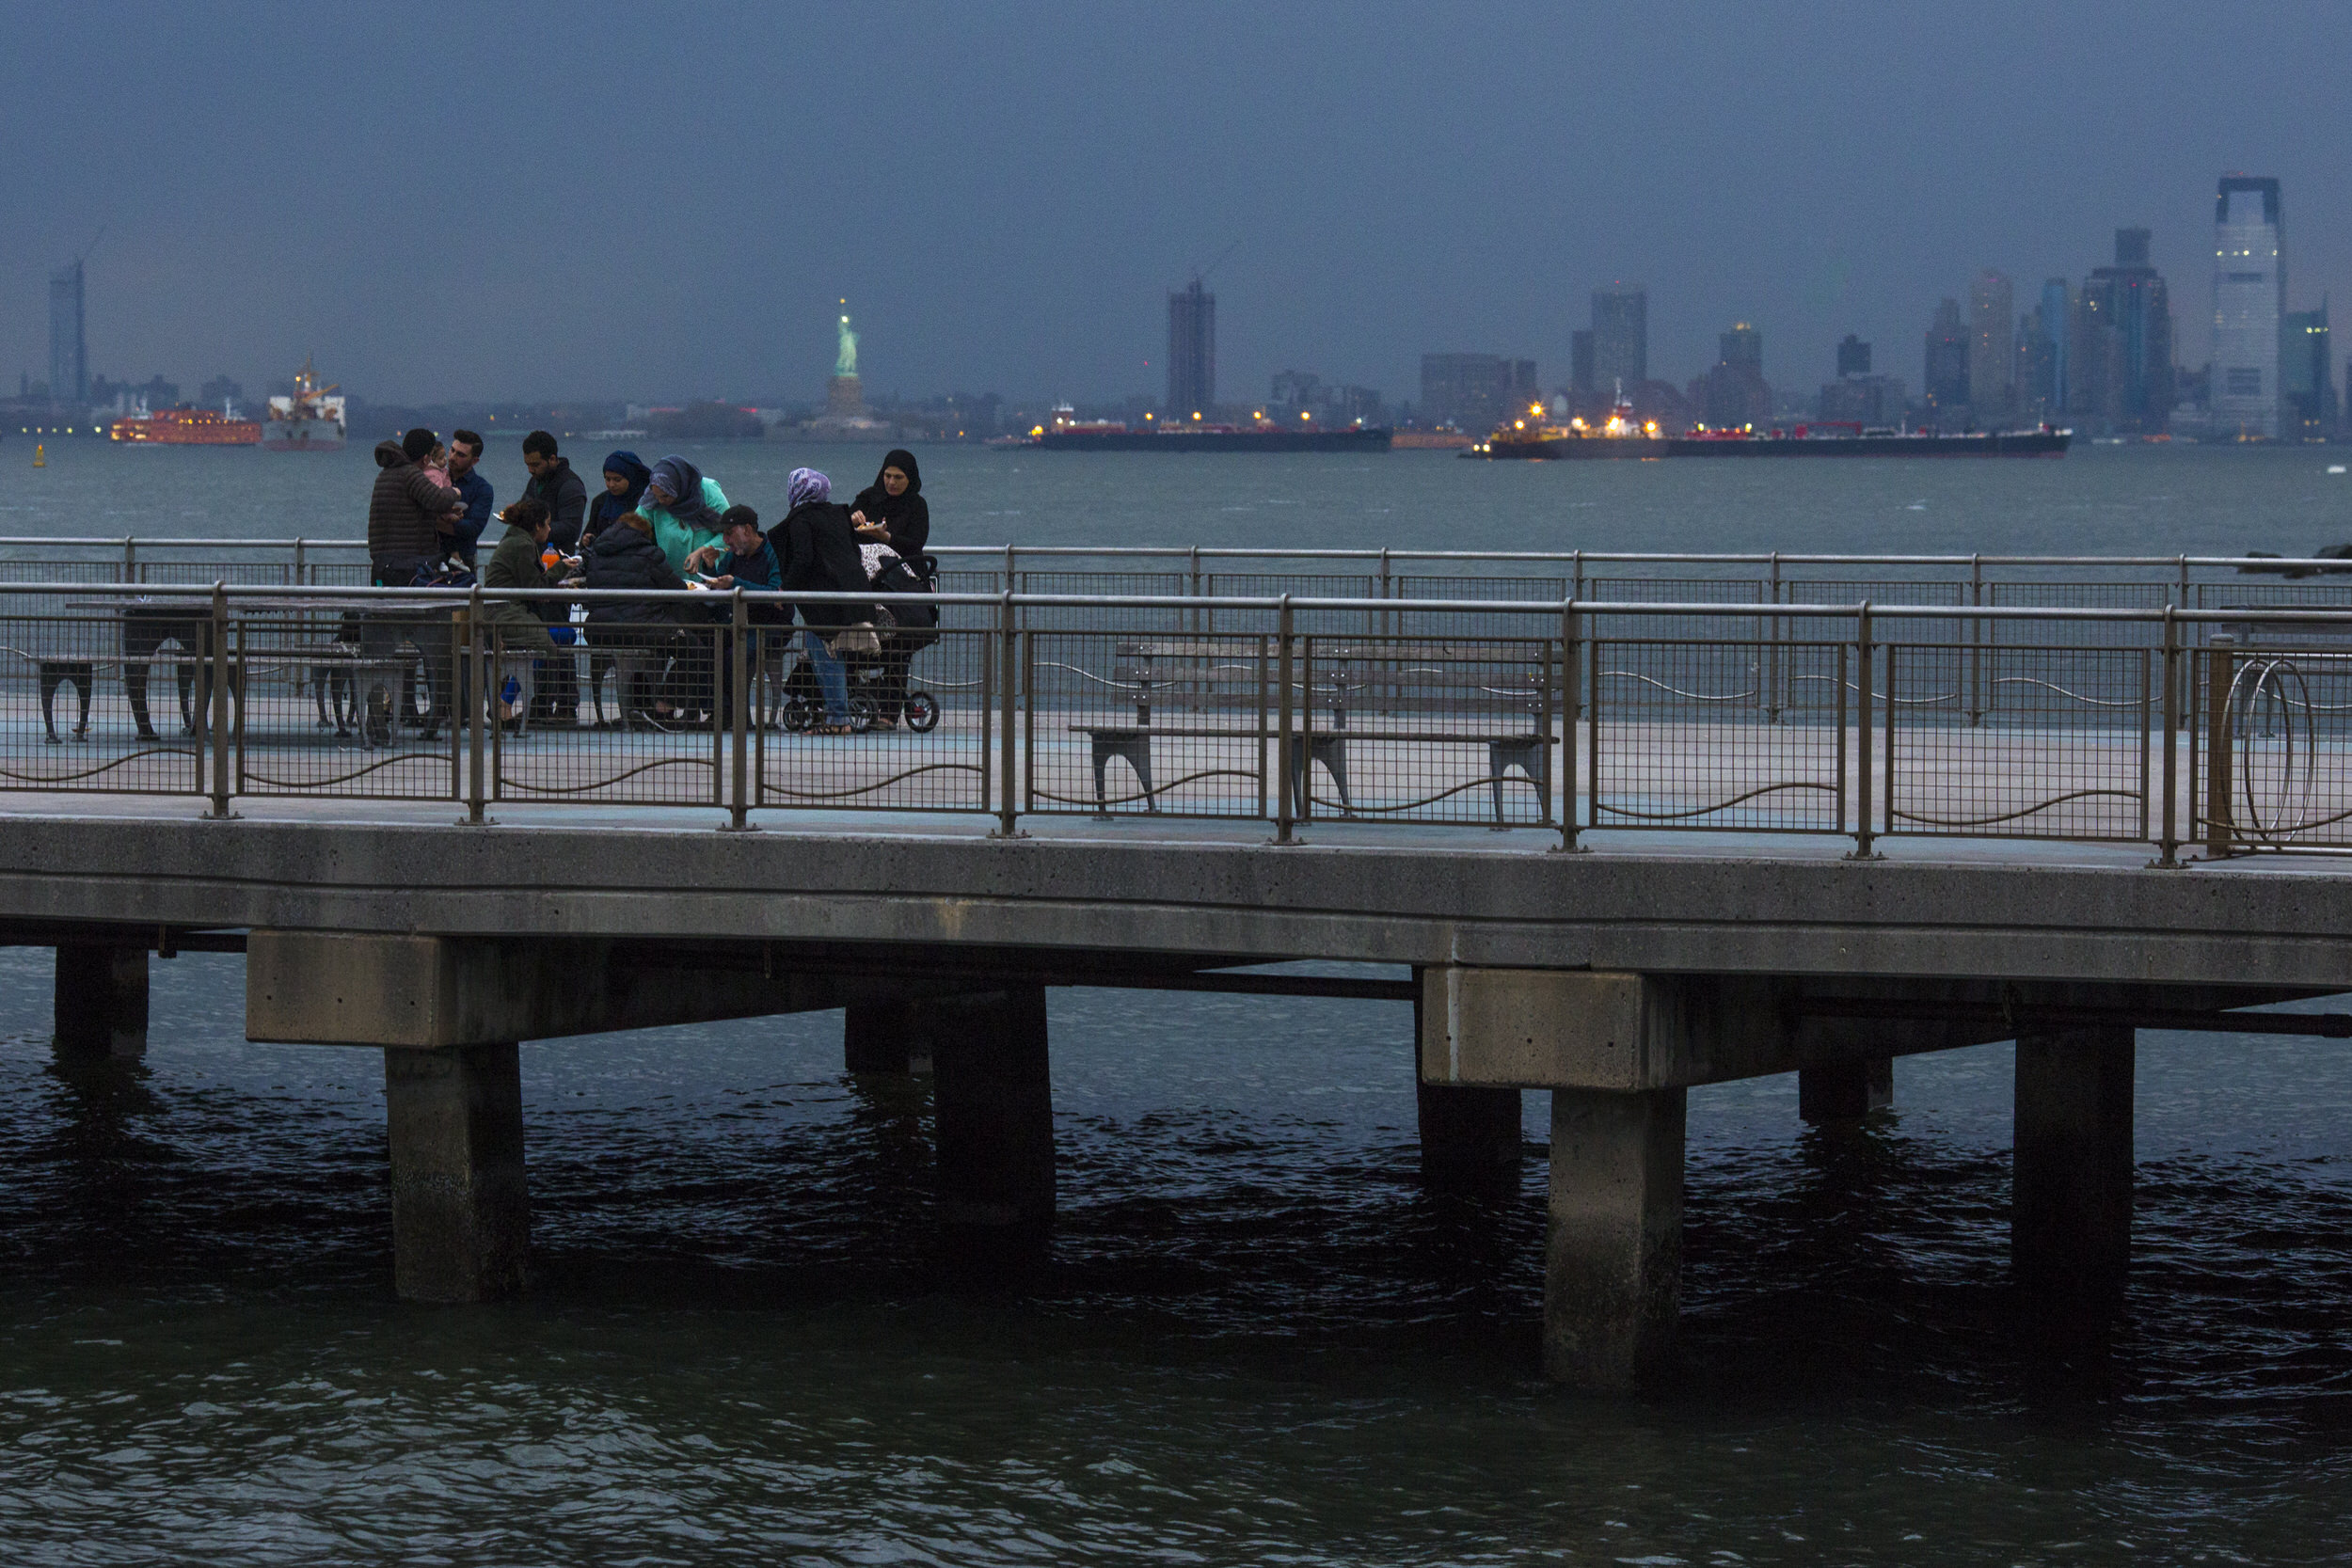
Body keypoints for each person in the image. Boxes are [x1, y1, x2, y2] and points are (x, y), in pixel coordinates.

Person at [773, 467, 870, 735]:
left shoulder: (800, 520)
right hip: (851, 592)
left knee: (825, 657)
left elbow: (803, 558)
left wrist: (786, 590)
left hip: (822, 602)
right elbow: (852, 551)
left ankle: (838, 719)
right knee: (835, 656)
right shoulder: (838, 514)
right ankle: (837, 716)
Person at [581, 510, 691, 727]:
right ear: (643, 534)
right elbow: (676, 589)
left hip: (600, 630)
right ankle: (662, 707)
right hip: (644, 627)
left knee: (647, 655)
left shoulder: (597, 553)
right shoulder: (650, 554)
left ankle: (637, 708)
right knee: (694, 648)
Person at [480, 497, 561, 723]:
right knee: (547, 645)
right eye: (547, 523)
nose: (549, 528)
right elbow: (535, 588)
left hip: (500, 610)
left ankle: (516, 703)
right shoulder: (523, 545)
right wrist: (561, 568)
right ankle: (506, 704)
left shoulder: (515, 541)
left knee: (561, 637)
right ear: (537, 526)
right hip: (504, 612)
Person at [368, 427, 465, 585]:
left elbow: (408, 508)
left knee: (383, 605)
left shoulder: (385, 474)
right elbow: (438, 499)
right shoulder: (411, 474)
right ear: (426, 458)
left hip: (382, 567)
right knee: (411, 606)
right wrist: (454, 492)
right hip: (406, 569)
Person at [640, 455, 728, 575]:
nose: (660, 501)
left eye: (665, 496)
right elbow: (634, 527)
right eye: (657, 497)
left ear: (677, 486)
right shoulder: (653, 497)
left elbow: (730, 530)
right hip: (671, 575)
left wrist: (703, 551)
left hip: (709, 574)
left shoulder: (707, 490)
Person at [850, 448, 929, 558]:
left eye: (898, 477)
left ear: (909, 478)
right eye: (887, 476)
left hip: (904, 567)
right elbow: (839, 529)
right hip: (865, 567)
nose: (892, 482)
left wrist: (886, 537)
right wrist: (851, 521)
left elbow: (916, 544)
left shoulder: (917, 505)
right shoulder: (868, 497)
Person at [521, 431, 588, 550]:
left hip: (558, 560)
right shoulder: (535, 481)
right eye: (528, 465)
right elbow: (524, 506)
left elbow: (571, 530)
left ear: (552, 459)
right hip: (533, 556)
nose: (530, 470)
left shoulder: (571, 486)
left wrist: (534, 527)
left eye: (535, 465)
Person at [446, 429, 494, 566]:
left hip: (463, 560)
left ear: (474, 461)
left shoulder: (482, 489)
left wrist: (436, 521)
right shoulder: (436, 478)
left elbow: (472, 528)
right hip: (431, 556)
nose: (453, 457)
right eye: (452, 450)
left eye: (460, 455)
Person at [584, 450, 651, 546]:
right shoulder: (600, 502)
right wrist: (586, 540)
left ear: (631, 477)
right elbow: (591, 531)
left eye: (617, 480)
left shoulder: (644, 502)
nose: (611, 485)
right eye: (607, 479)